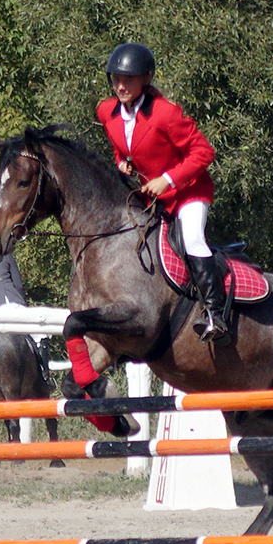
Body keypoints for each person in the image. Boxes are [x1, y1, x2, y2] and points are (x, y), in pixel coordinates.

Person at [96, 42, 228, 343]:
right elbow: (121, 148)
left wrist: (167, 180)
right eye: (116, 79)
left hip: (188, 192)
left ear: (145, 79)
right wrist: (123, 163)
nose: (120, 86)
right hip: (151, 197)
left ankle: (215, 313)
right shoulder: (106, 112)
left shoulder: (166, 113)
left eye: (128, 80)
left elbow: (204, 152)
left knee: (191, 237)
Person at [0, 224, 50, 366]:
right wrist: (23, 302)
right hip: (9, 301)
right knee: (39, 333)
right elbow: (18, 285)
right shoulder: (7, 257)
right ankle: (44, 371)